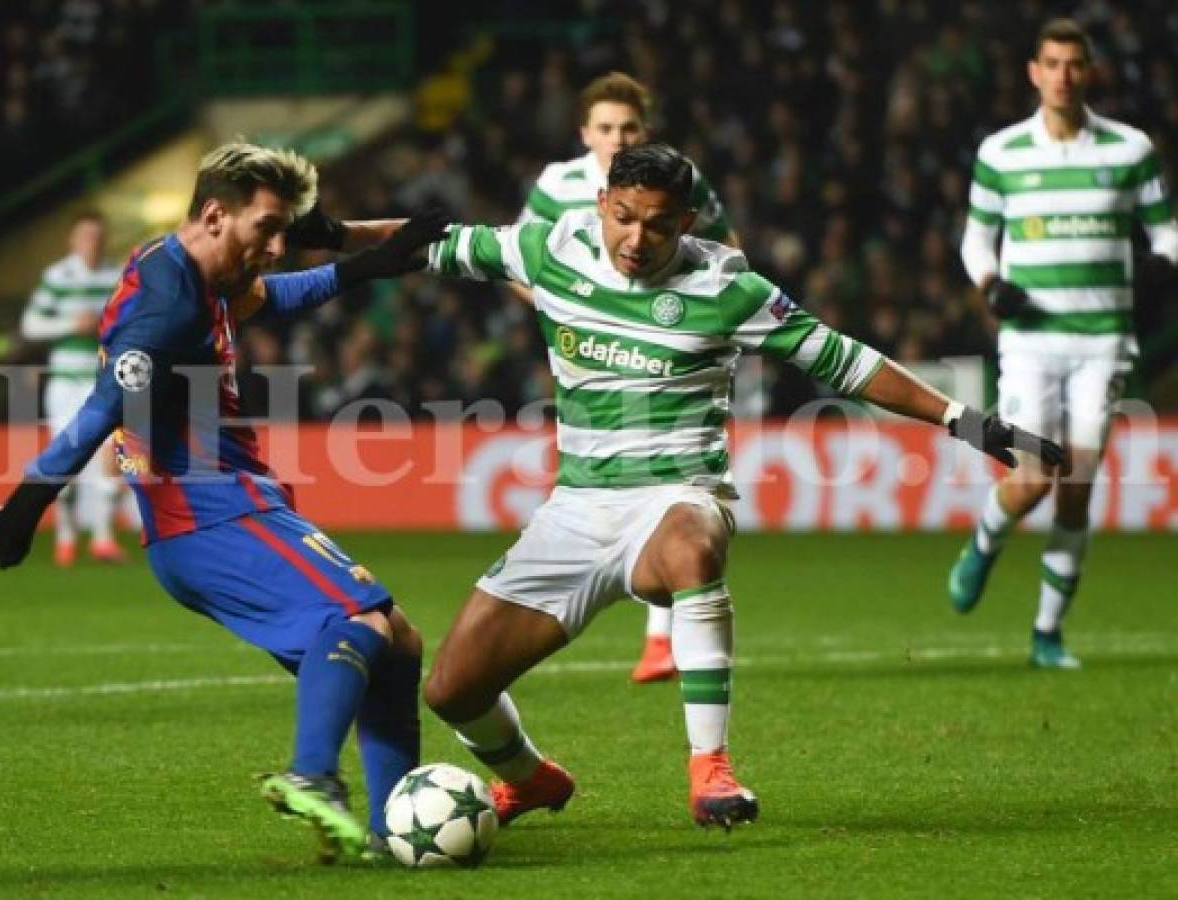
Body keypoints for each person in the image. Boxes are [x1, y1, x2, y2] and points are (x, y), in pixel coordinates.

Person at [420, 143, 1063, 829]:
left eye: (659, 225)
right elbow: (426, 244)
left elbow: (844, 361)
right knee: (452, 690)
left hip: (677, 496)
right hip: (574, 511)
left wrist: (963, 420)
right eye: (625, 218)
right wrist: (325, 239)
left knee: (689, 547)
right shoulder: (551, 247)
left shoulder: (729, 288)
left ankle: (710, 771)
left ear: (688, 222)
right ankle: (532, 780)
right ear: (602, 204)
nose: (637, 239)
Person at [0, 141, 447, 862]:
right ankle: (312, 776)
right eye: (266, 229)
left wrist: (366, 262)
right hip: (206, 514)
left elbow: (275, 292)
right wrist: (23, 510)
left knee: (398, 638)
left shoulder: (199, 268)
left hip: (239, 501)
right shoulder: (164, 311)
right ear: (213, 214)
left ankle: (390, 830)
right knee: (355, 618)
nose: (275, 247)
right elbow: (102, 408)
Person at [949, 18, 1177, 668]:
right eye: (1051, 63)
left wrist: (1160, 265)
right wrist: (990, 282)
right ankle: (984, 542)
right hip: (1030, 343)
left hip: (1103, 342)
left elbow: (1165, 232)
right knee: (1031, 480)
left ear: (1089, 71)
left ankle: (1046, 633)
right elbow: (974, 240)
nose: (1063, 75)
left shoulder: (1128, 150)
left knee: (1075, 484)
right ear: (1033, 71)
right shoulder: (1002, 153)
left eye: (1074, 64)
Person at [518, 70, 739, 685]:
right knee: (607, 466)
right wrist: (561, 303)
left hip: (662, 347)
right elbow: (520, 255)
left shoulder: (678, 182)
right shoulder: (557, 185)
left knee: (666, 479)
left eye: (629, 127)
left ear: (647, 129)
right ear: (584, 132)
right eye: (606, 128)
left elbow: (726, 244)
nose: (617, 138)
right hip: (585, 347)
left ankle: (660, 638)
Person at [21, 211, 126, 565]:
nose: (91, 243)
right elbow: (32, 324)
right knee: (66, 461)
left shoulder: (116, 276)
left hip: (103, 379)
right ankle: (65, 537)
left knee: (112, 452)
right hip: (65, 381)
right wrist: (71, 323)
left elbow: (127, 320)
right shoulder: (58, 277)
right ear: (72, 240)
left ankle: (103, 538)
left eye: (97, 236)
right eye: (85, 236)